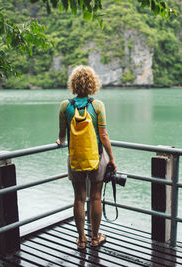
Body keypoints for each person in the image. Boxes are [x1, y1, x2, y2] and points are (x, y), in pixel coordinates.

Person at [56, 65, 117, 250]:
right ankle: (95, 237)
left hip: (75, 159)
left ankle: (81, 239)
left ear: (73, 84)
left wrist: (60, 140)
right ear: (93, 84)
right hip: (96, 158)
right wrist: (112, 159)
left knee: (79, 198)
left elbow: (62, 134)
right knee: (95, 197)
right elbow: (104, 135)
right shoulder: (97, 105)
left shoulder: (65, 106)